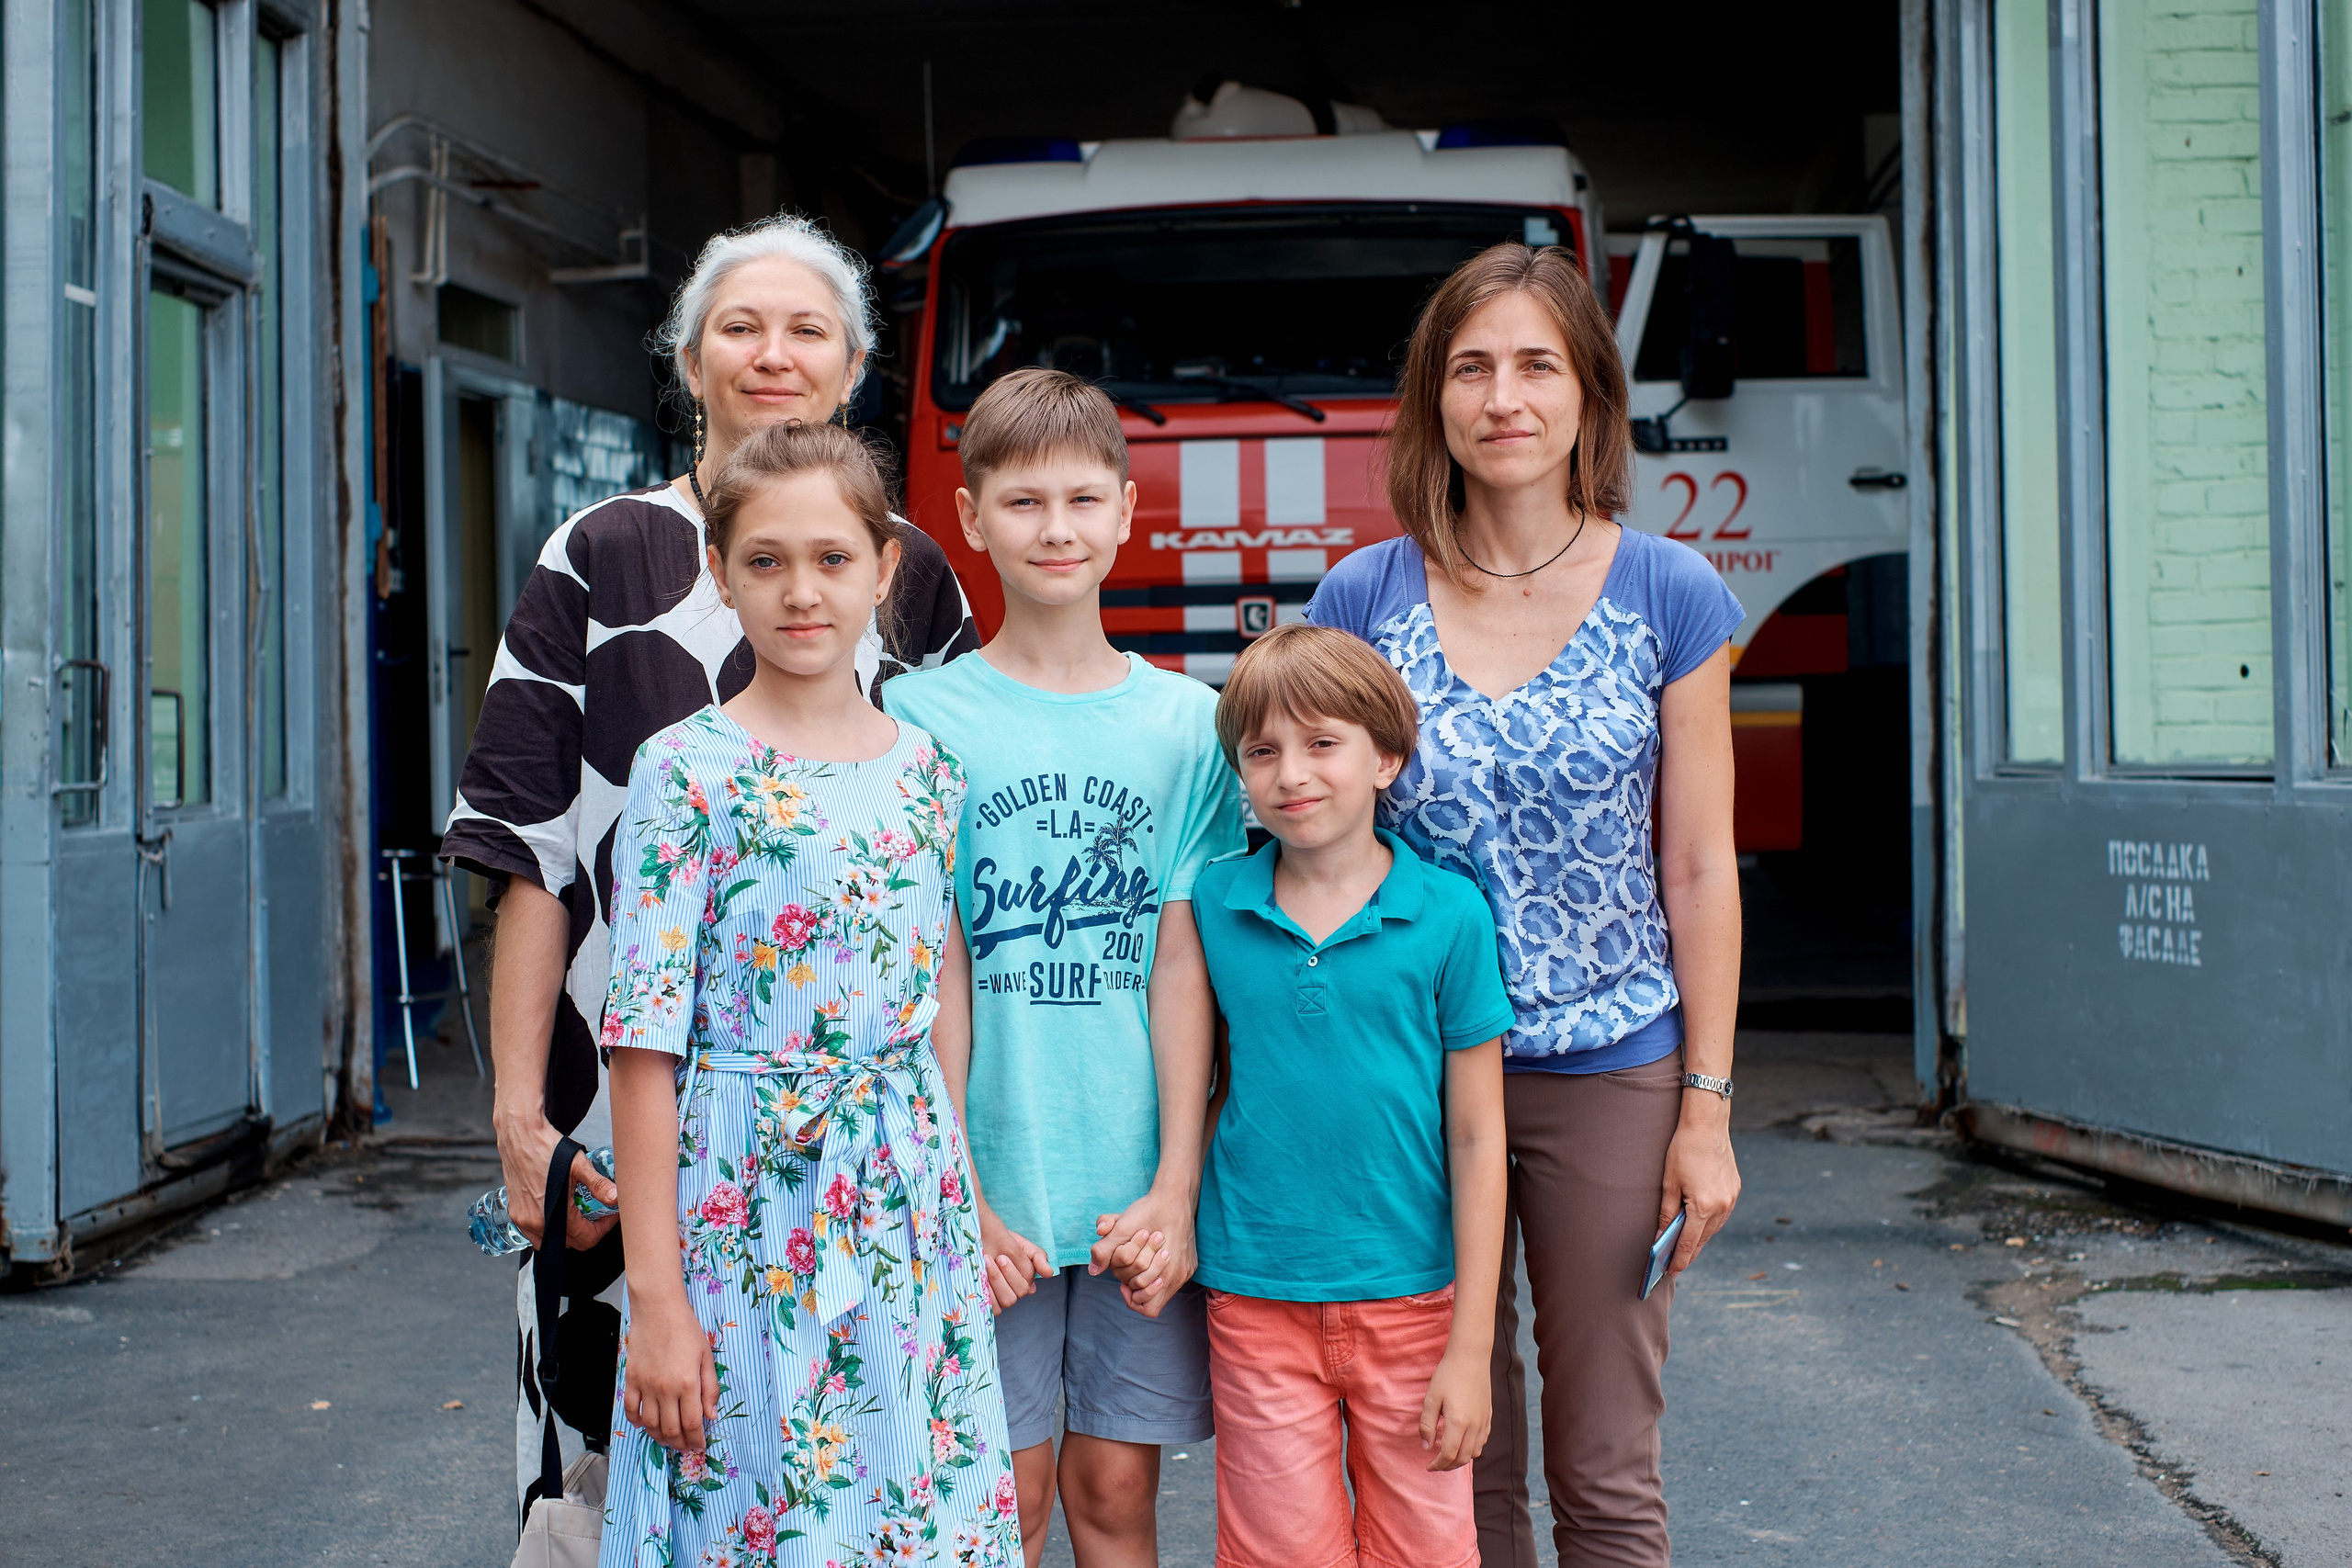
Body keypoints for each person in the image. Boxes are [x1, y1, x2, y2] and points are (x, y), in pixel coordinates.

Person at [436, 213, 980, 1527]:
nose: (772, 353)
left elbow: (939, 895)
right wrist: (521, 1117)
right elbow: (529, 855)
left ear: (853, 367)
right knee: (626, 1466)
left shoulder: (911, 580)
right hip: (630, 1103)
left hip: (861, 1148)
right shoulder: (599, 551)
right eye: (740, 325)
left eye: (808, 330)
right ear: (688, 360)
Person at [1304, 241, 1746, 1568]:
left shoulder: (1670, 594)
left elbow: (1700, 865)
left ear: (1588, 397)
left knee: (1606, 1461)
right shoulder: (1362, 599)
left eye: (1537, 365)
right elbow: (1322, 847)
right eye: (1471, 366)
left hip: (1610, 1062)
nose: (1504, 395)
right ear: (1434, 399)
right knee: (1450, 1452)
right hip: (1409, 1069)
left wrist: (1708, 1106)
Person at [597, 420, 1019, 1567]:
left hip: (903, 1211)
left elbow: (941, 1000)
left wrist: (961, 1196)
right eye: (766, 560)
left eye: (833, 559)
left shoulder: (929, 772)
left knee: (904, 1516)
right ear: (720, 575)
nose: (801, 592)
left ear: (886, 570)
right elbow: (643, 1047)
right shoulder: (683, 769)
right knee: (748, 1510)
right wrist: (658, 1300)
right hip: (737, 1207)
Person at [882, 367, 1243, 1568]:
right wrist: (959, 1189)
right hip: (988, 1185)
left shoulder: (1187, 724)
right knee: (1003, 1495)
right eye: (1023, 501)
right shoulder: (921, 716)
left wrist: (1176, 1185)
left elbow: (1181, 966)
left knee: (1112, 1489)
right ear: (972, 518)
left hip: (1133, 1179)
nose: (1056, 528)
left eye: (1083, 499)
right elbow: (934, 974)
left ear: (1128, 512)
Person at [1178, 622, 1510, 1568]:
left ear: (1387, 758)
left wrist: (1469, 1346)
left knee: (1425, 1551)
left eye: (1322, 743)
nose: (1291, 774)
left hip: (1415, 1298)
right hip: (1257, 1292)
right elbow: (1200, 1076)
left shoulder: (1448, 915)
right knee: (1282, 1552)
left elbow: (1479, 1134)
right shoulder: (1214, 903)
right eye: (1262, 752)